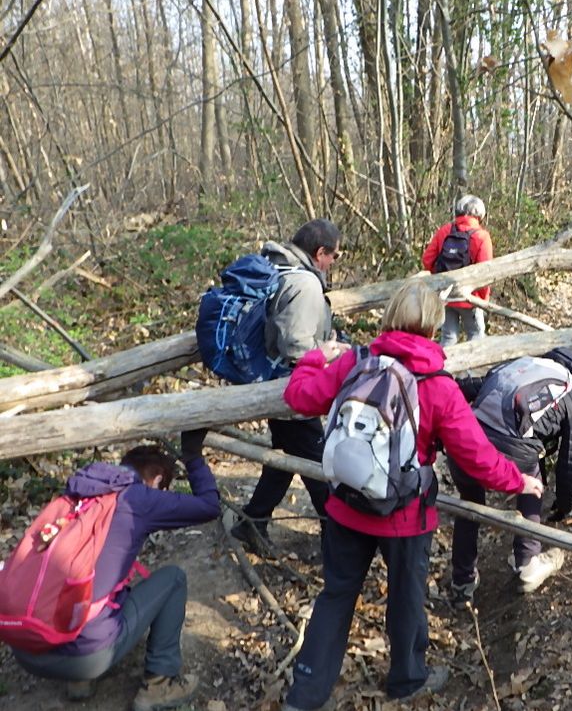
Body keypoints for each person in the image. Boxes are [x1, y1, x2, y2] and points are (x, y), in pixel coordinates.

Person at [279, 280, 543, 710]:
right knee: (406, 598)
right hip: (404, 515)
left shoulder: (355, 360)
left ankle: (304, 695)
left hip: (345, 505)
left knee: (336, 596)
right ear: (435, 327)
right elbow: (476, 456)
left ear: (391, 315)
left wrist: (314, 357)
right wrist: (520, 481)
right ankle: (406, 679)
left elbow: (298, 396)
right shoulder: (438, 384)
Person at [10, 432, 220, 710]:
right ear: (157, 480)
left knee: (101, 580)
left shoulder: (78, 492)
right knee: (173, 580)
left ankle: (78, 684)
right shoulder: (138, 498)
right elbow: (209, 506)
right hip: (84, 658)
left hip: (25, 648)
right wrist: (193, 458)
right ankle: (159, 686)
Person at [449, 349, 572, 607]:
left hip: (465, 440)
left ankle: (462, 581)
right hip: (505, 450)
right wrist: (564, 505)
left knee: (469, 502)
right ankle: (527, 562)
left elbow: (475, 385)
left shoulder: (532, 363)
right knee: (532, 481)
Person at [230, 219, 347, 555]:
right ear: (320, 252)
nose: (333, 263)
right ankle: (337, 544)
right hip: (294, 391)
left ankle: (253, 520)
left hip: (274, 383)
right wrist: (327, 352)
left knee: (283, 457)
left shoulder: (277, 267)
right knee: (321, 468)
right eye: (334, 256)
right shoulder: (305, 285)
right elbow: (295, 347)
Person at [421, 194, 493, 346]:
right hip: (470, 297)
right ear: (480, 214)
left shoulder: (445, 231)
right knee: (476, 336)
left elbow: (427, 260)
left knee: (448, 337)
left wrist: (441, 280)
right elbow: (485, 274)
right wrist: (483, 300)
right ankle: (471, 370)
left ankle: (445, 368)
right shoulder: (482, 236)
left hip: (446, 295)